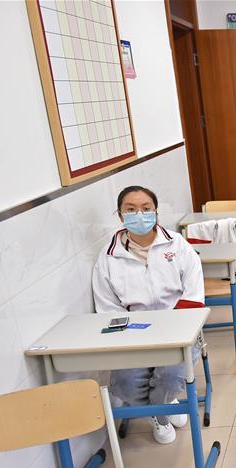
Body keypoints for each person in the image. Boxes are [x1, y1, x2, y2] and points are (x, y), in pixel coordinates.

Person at [92, 185, 205, 444]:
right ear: (120, 215)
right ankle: (162, 411)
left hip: (178, 331)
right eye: (131, 209)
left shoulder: (177, 245)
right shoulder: (109, 257)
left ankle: (161, 406)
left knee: (171, 377)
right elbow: (108, 308)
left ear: (156, 212)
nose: (139, 215)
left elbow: (194, 293)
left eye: (146, 208)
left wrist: (174, 332)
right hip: (134, 336)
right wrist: (134, 337)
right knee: (125, 383)